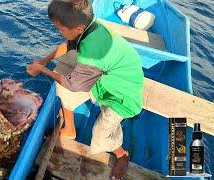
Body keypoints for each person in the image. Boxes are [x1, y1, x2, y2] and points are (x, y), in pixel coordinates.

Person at [26, 0, 143, 179]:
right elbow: (67, 45)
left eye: (61, 29)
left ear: (79, 28)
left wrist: (42, 70)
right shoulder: (91, 26)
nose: (59, 33)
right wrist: (44, 61)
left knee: (99, 140)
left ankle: (122, 154)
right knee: (61, 85)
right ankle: (70, 129)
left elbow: (74, 85)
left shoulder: (92, 51)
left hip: (122, 94)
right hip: (109, 74)